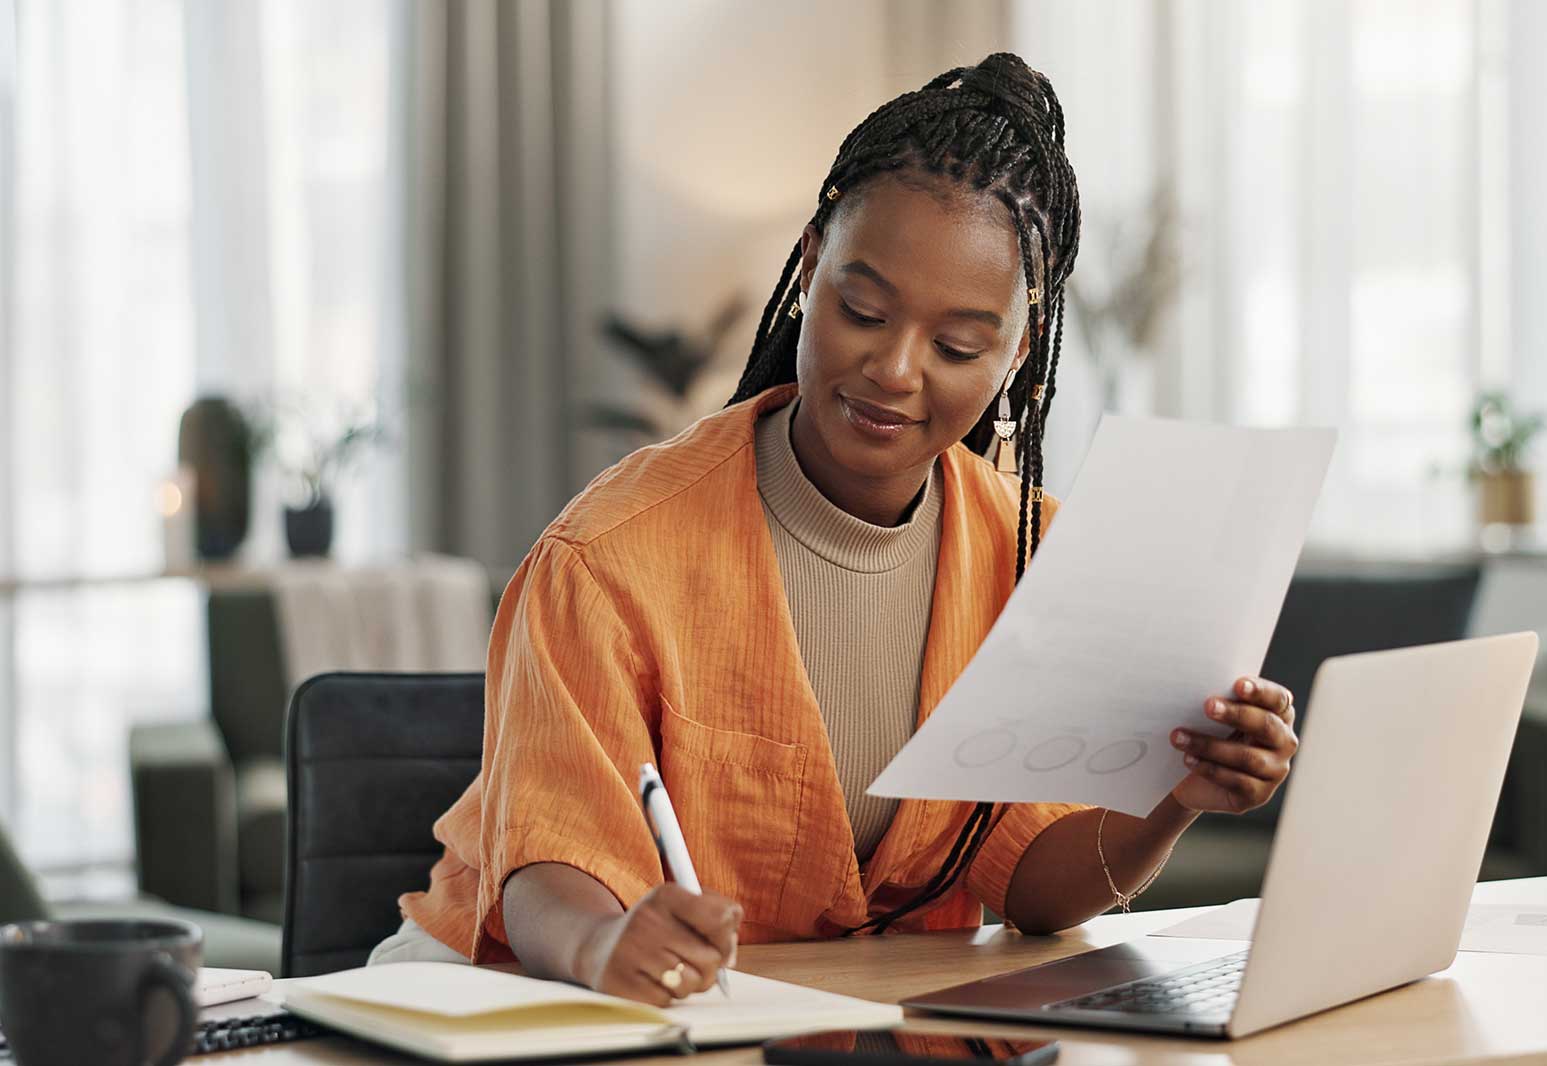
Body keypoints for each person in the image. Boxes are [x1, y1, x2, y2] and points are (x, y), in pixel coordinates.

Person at [370, 53, 1299, 1007]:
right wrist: (610, 941)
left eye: (957, 346)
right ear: (810, 269)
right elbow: (543, 875)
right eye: (863, 310)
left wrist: (1177, 798)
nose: (895, 370)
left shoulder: (1033, 560)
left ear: (1018, 354)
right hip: (522, 998)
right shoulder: (608, 557)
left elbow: (1034, 890)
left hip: (821, 1014)